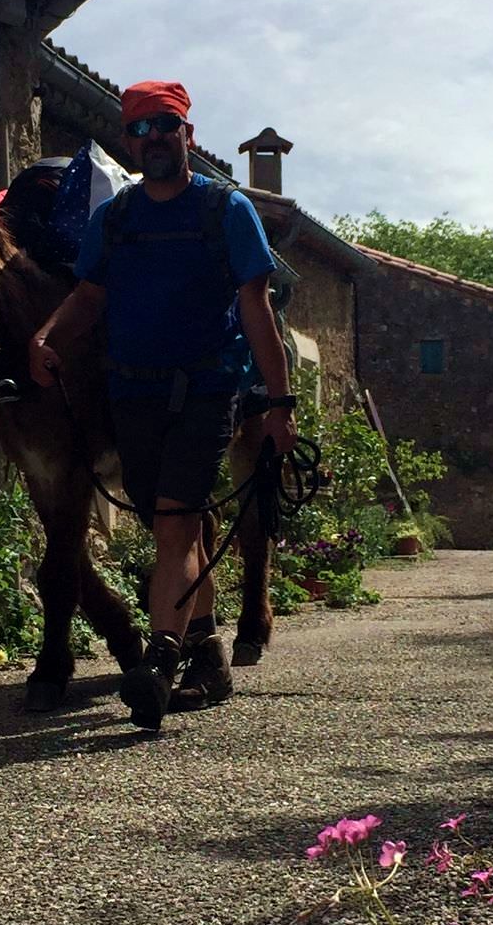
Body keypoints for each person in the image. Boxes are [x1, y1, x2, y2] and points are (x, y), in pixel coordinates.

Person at [27, 79, 299, 733]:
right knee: (170, 526)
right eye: (142, 129)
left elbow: (257, 309)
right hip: (134, 393)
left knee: (177, 522)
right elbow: (89, 297)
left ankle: (160, 661)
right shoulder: (115, 221)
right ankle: (208, 653)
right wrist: (46, 337)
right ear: (128, 141)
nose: (154, 138)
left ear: (188, 134)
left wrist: (282, 403)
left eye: (166, 126)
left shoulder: (225, 211)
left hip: (206, 389)